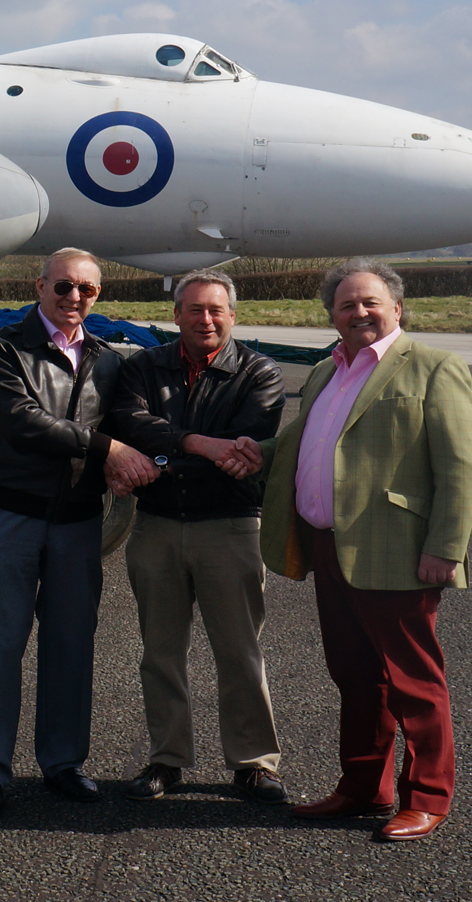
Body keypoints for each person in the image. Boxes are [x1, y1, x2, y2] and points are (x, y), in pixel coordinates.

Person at [254, 257, 472, 842]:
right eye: (346, 304)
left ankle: (427, 797)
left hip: (399, 551)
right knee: (356, 677)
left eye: (370, 302)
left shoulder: (434, 366)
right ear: (332, 316)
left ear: (396, 308)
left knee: (414, 682)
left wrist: (446, 548)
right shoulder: (326, 372)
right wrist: (249, 450)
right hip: (330, 548)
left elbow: (462, 466)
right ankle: (363, 787)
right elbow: (304, 442)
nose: (359, 312)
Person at [0, 247, 159, 819]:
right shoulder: (2, 348)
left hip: (77, 520)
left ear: (98, 295)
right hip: (9, 514)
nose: (74, 297)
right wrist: (109, 450)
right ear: (40, 285)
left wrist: (154, 454)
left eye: (87, 289)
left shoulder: (108, 359)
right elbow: (22, 421)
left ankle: (64, 763)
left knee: (71, 643)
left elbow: (125, 421)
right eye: (64, 286)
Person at [106, 270, 287, 803]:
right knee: (160, 653)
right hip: (156, 526)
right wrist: (196, 444)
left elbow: (242, 450)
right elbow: (128, 423)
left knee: (240, 652)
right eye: (194, 309)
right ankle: (166, 759)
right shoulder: (143, 366)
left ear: (232, 315)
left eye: (215, 310)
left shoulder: (260, 373)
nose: (205, 319)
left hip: (230, 526)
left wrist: (159, 460)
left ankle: (254, 764)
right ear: (176, 314)